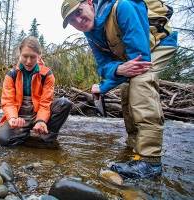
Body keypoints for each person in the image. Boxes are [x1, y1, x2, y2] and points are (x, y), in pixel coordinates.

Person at [61, 0, 177, 178]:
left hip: (159, 45)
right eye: (71, 20)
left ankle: (150, 161)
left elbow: (139, 61)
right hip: (134, 59)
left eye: (79, 12)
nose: (78, 21)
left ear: (90, 3)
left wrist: (104, 85)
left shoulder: (123, 6)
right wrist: (116, 70)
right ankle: (134, 146)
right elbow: (103, 66)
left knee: (140, 81)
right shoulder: (89, 32)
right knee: (125, 90)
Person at [0, 36, 72, 148]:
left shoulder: (47, 75)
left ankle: (46, 136)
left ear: (39, 56)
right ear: (20, 54)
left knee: (64, 103)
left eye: (33, 57)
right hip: (19, 116)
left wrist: (41, 120)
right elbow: (8, 102)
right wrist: (13, 118)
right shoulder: (11, 75)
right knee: (3, 140)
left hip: (38, 114)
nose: (28, 61)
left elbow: (46, 102)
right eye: (25, 56)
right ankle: (30, 137)